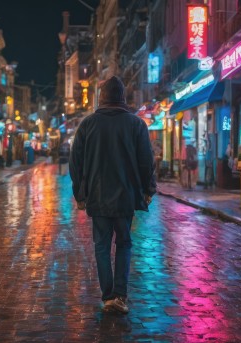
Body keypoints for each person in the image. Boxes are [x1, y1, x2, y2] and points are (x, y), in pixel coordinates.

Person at [69, 76, 156, 315]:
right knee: (124, 244)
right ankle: (120, 295)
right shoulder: (136, 125)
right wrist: (148, 189)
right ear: (123, 98)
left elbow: (75, 163)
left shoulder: (88, 125)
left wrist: (80, 193)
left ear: (101, 98)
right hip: (126, 197)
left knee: (102, 245)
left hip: (97, 196)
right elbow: (146, 162)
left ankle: (108, 297)